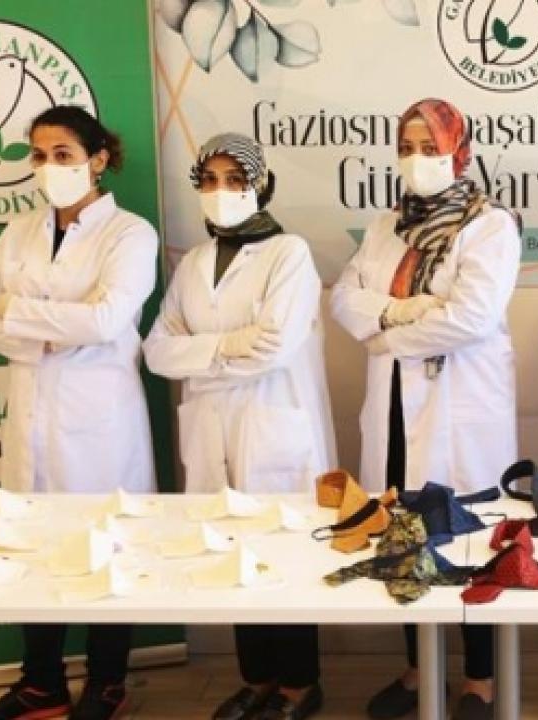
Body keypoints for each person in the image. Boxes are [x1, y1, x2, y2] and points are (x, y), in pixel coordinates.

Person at [330, 97, 521, 720]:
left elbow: (471, 318)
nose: (416, 159)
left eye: (430, 148)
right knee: (401, 534)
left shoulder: (491, 225)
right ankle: (417, 669)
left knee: (469, 540)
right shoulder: (385, 224)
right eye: (406, 148)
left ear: (459, 153)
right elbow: (344, 300)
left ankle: (480, 680)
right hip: (392, 405)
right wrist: (403, 311)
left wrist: (385, 329)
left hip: (460, 409)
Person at [0, 106, 157, 720]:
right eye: (39, 155)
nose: (49, 166)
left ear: (97, 160)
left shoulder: (130, 234)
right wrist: (52, 334)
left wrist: (19, 312)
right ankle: (41, 683)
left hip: (99, 419)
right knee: (32, 544)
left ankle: (108, 682)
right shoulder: (17, 232)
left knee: (106, 546)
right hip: (31, 411)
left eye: (63, 155)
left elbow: (106, 320)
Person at [143, 133, 336, 720]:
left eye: (235, 179)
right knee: (233, 554)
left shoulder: (289, 253)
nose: (221, 191)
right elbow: (157, 350)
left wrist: (201, 355)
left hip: (273, 427)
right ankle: (257, 680)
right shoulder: (194, 263)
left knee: (284, 555)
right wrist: (229, 350)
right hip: (213, 430)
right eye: (209, 180)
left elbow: (274, 346)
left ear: (261, 184)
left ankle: (299, 686)